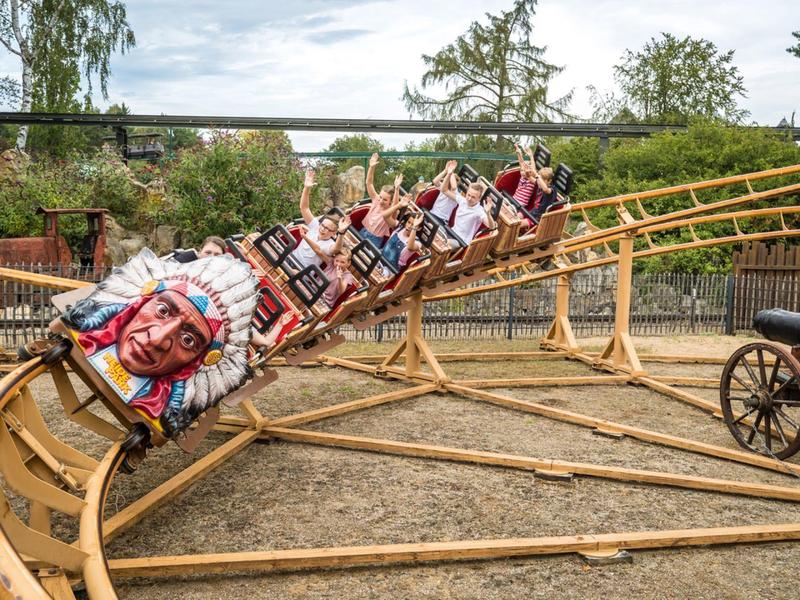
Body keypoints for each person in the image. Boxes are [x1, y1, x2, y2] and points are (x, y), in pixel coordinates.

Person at [60, 248, 259, 437]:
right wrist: (88, 321)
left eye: (188, 340)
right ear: (141, 303)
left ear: (197, 361)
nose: (157, 339)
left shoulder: (177, 383)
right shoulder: (120, 312)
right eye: (162, 311)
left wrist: (173, 410)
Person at [291, 169, 350, 268]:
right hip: (291, 258)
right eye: (323, 225)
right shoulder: (315, 226)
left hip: (301, 270)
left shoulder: (329, 244)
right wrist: (306, 188)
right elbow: (304, 208)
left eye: (327, 229)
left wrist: (341, 233)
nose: (322, 229)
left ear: (333, 233)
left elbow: (336, 249)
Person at [439, 171, 496, 250]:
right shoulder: (462, 200)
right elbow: (444, 190)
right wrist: (448, 173)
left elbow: (491, 227)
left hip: (461, 241)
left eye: (473, 197)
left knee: (443, 243)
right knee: (434, 230)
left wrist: (488, 213)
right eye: (468, 195)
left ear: (479, 199)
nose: (469, 198)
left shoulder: (479, 211)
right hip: (451, 232)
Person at [360, 153, 403, 248]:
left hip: (375, 239)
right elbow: (369, 183)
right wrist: (371, 167)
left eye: (385, 199)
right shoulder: (376, 200)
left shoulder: (391, 212)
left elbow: (395, 204)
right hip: (363, 231)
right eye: (380, 197)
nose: (381, 200)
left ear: (390, 202)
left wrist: (397, 188)